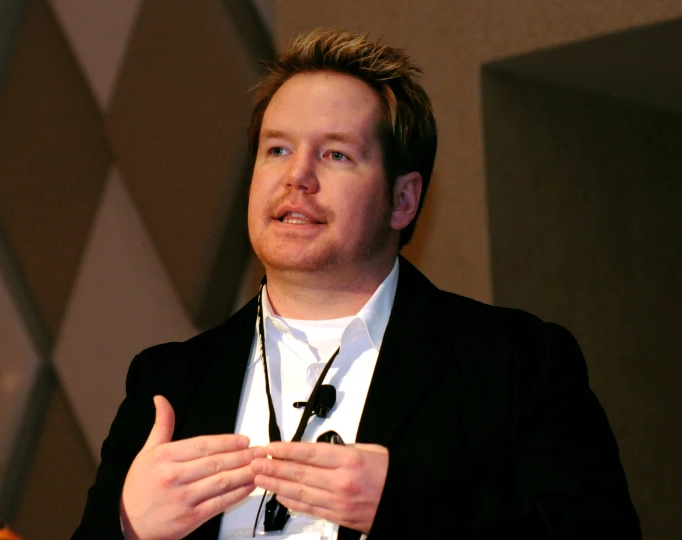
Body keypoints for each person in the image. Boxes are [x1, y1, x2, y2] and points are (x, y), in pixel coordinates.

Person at [73, 29, 640, 539]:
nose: (297, 175)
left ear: (403, 199)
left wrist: (404, 507)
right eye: (277, 149)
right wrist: (125, 528)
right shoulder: (168, 380)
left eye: (336, 154)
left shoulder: (517, 364)